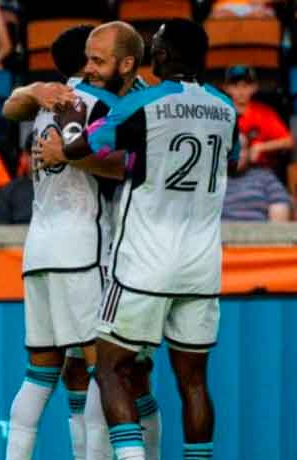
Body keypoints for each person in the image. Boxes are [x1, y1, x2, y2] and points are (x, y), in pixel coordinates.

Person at [54, 18, 238, 460]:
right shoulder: (226, 106)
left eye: (156, 44)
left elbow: (81, 148)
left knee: (111, 367)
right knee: (194, 381)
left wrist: (73, 113)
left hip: (144, 262)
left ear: (164, 55)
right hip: (202, 264)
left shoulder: (147, 104)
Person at [5, 21, 162, 460]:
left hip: (38, 248)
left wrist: (33, 89)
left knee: (40, 375)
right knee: (108, 372)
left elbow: (8, 109)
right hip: (85, 249)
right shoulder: (100, 102)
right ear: (84, 61)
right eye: (91, 58)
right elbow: (126, 164)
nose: (94, 66)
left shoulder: (43, 105)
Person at [222, 65, 294, 168]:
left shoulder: (264, 113)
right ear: (226, 88)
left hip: (259, 169)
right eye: (235, 85)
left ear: (254, 87)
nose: (241, 91)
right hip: (227, 171)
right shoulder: (220, 112)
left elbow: (288, 142)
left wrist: (261, 147)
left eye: (246, 85)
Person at [222, 133, 292, 221]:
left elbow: (280, 220)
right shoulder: (211, 182)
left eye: (241, 148)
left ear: (249, 152)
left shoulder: (266, 178)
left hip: (258, 233)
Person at [0, 133, 34, 225]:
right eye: (35, 153)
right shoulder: (8, 192)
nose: (41, 158)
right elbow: (1, 231)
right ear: (25, 156)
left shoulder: (66, 188)